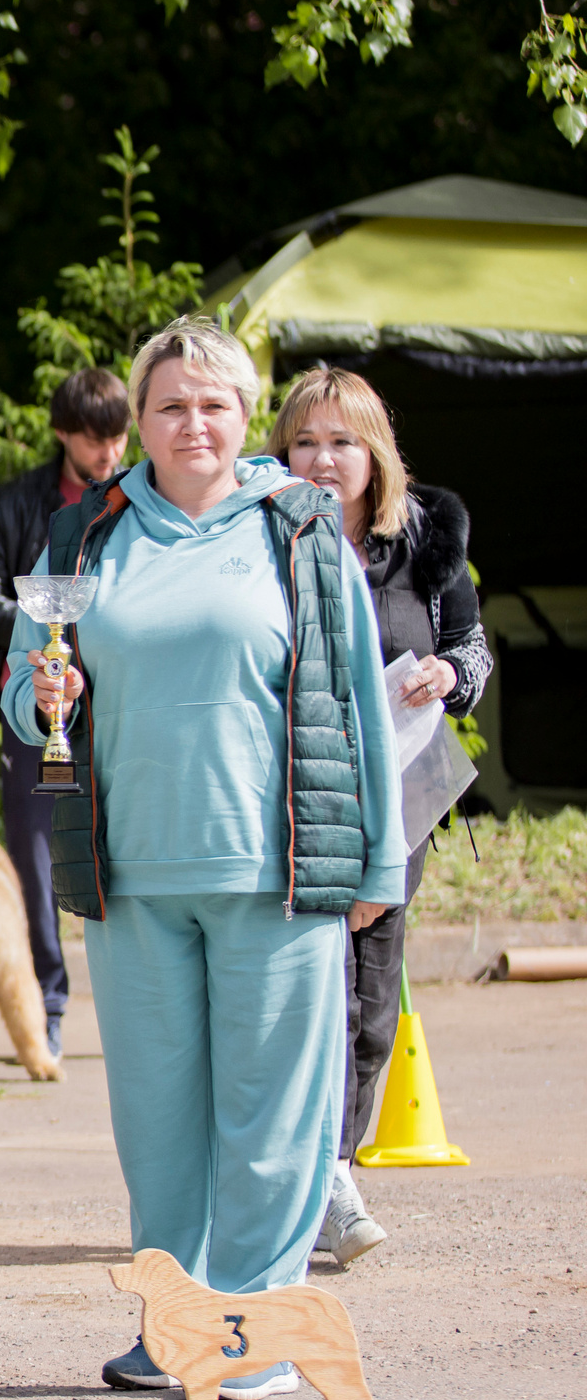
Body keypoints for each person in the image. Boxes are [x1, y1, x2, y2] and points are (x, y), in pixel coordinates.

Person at [3, 317, 404, 1400]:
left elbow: (360, 698)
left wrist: (380, 862)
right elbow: (23, 684)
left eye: (213, 403)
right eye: (170, 404)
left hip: (275, 870)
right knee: (159, 1122)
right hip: (130, 876)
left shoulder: (300, 530)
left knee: (274, 1121)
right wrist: (42, 695)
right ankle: (174, 1325)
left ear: (244, 416)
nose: (193, 423)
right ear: (137, 419)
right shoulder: (87, 536)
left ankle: (253, 1337)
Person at [265, 363, 492, 1266]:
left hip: (400, 799)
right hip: (291, 802)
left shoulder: (425, 545)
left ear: (377, 454)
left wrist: (448, 677)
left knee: (368, 1007)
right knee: (294, 997)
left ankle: (337, 1173)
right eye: (306, 441)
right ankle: (298, 1182)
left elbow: (471, 649)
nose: (323, 459)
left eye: (343, 442)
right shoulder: (261, 538)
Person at [0, 369, 132, 1060]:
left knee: (119, 852)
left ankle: (133, 1006)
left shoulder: (133, 503)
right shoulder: (17, 505)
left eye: (118, 437)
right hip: (32, 705)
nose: (108, 453)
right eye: (94, 439)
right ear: (62, 433)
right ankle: (48, 1003)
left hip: (111, 711)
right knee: (33, 860)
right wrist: (48, 627)